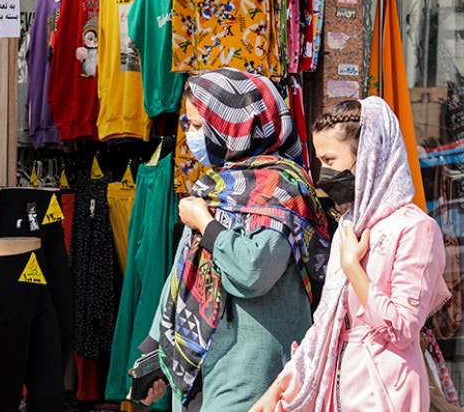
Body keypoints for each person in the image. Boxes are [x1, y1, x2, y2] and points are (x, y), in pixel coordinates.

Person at [140, 68, 330, 411]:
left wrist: (207, 226)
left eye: (200, 127)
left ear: (235, 127)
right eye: (189, 126)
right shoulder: (219, 187)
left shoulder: (284, 192)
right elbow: (184, 270)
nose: (191, 137)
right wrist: (153, 348)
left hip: (253, 369)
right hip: (206, 363)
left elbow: (254, 271)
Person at [251, 97, 451, 412]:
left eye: (331, 159)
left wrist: (352, 268)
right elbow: (324, 324)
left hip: (386, 388)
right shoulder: (349, 225)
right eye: (321, 162)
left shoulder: (416, 229)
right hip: (339, 385)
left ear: (369, 156)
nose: (324, 174)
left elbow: (402, 328)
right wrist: (278, 388)